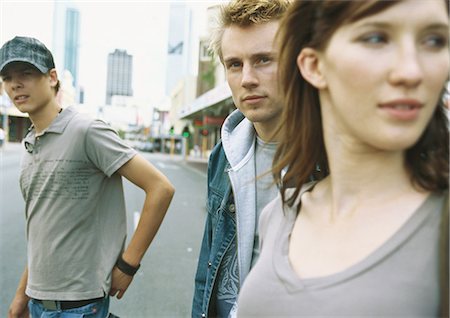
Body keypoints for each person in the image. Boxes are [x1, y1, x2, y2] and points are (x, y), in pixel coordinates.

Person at [237, 0, 449, 316]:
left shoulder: (439, 221)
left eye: (434, 41)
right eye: (376, 38)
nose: (411, 71)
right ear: (314, 65)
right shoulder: (282, 213)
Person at [1, 36, 175, 318]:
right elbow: (43, 231)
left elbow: (160, 188)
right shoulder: (30, 144)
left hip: (80, 306)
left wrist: (128, 264)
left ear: (53, 78)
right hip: (37, 303)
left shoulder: (86, 130)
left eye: (26, 74)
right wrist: (22, 294)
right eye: (7, 77)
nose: (15, 84)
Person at [192, 0, 290, 317]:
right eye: (234, 64)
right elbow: (208, 266)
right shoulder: (224, 154)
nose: (247, 78)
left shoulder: (338, 157)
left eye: (264, 60)